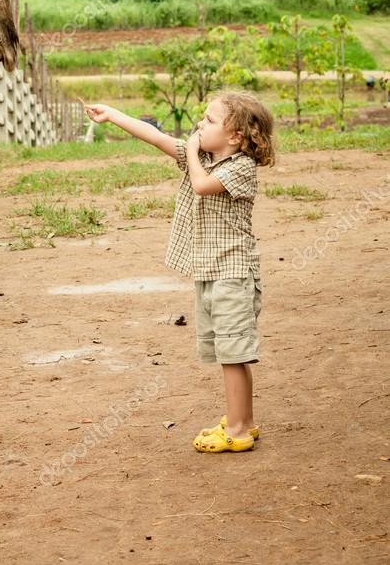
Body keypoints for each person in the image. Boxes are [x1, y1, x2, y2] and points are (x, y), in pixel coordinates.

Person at [82, 90, 276, 453]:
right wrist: (113, 114)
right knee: (228, 352)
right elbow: (155, 136)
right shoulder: (203, 157)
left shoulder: (240, 168)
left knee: (232, 355)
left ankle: (236, 430)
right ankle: (244, 420)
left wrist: (189, 152)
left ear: (235, 136)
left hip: (232, 275)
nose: (200, 125)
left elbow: (202, 186)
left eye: (209, 120)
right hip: (212, 272)